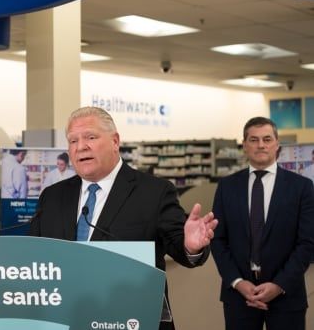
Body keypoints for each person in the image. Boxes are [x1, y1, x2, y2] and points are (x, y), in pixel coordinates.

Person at [29, 107, 217, 330]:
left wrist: (190, 245)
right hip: (66, 319)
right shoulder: (52, 196)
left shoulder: (154, 192)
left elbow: (181, 249)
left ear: (115, 141)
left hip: (130, 319)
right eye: (73, 141)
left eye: (91, 137)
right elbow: (35, 257)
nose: (81, 146)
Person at [210, 117, 314, 330]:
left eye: (267, 139)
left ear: (277, 145)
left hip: (287, 295)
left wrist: (279, 285)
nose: (261, 145)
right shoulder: (226, 187)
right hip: (239, 297)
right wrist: (238, 282)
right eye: (253, 139)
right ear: (244, 145)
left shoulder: (301, 187)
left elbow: (307, 243)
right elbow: (218, 240)